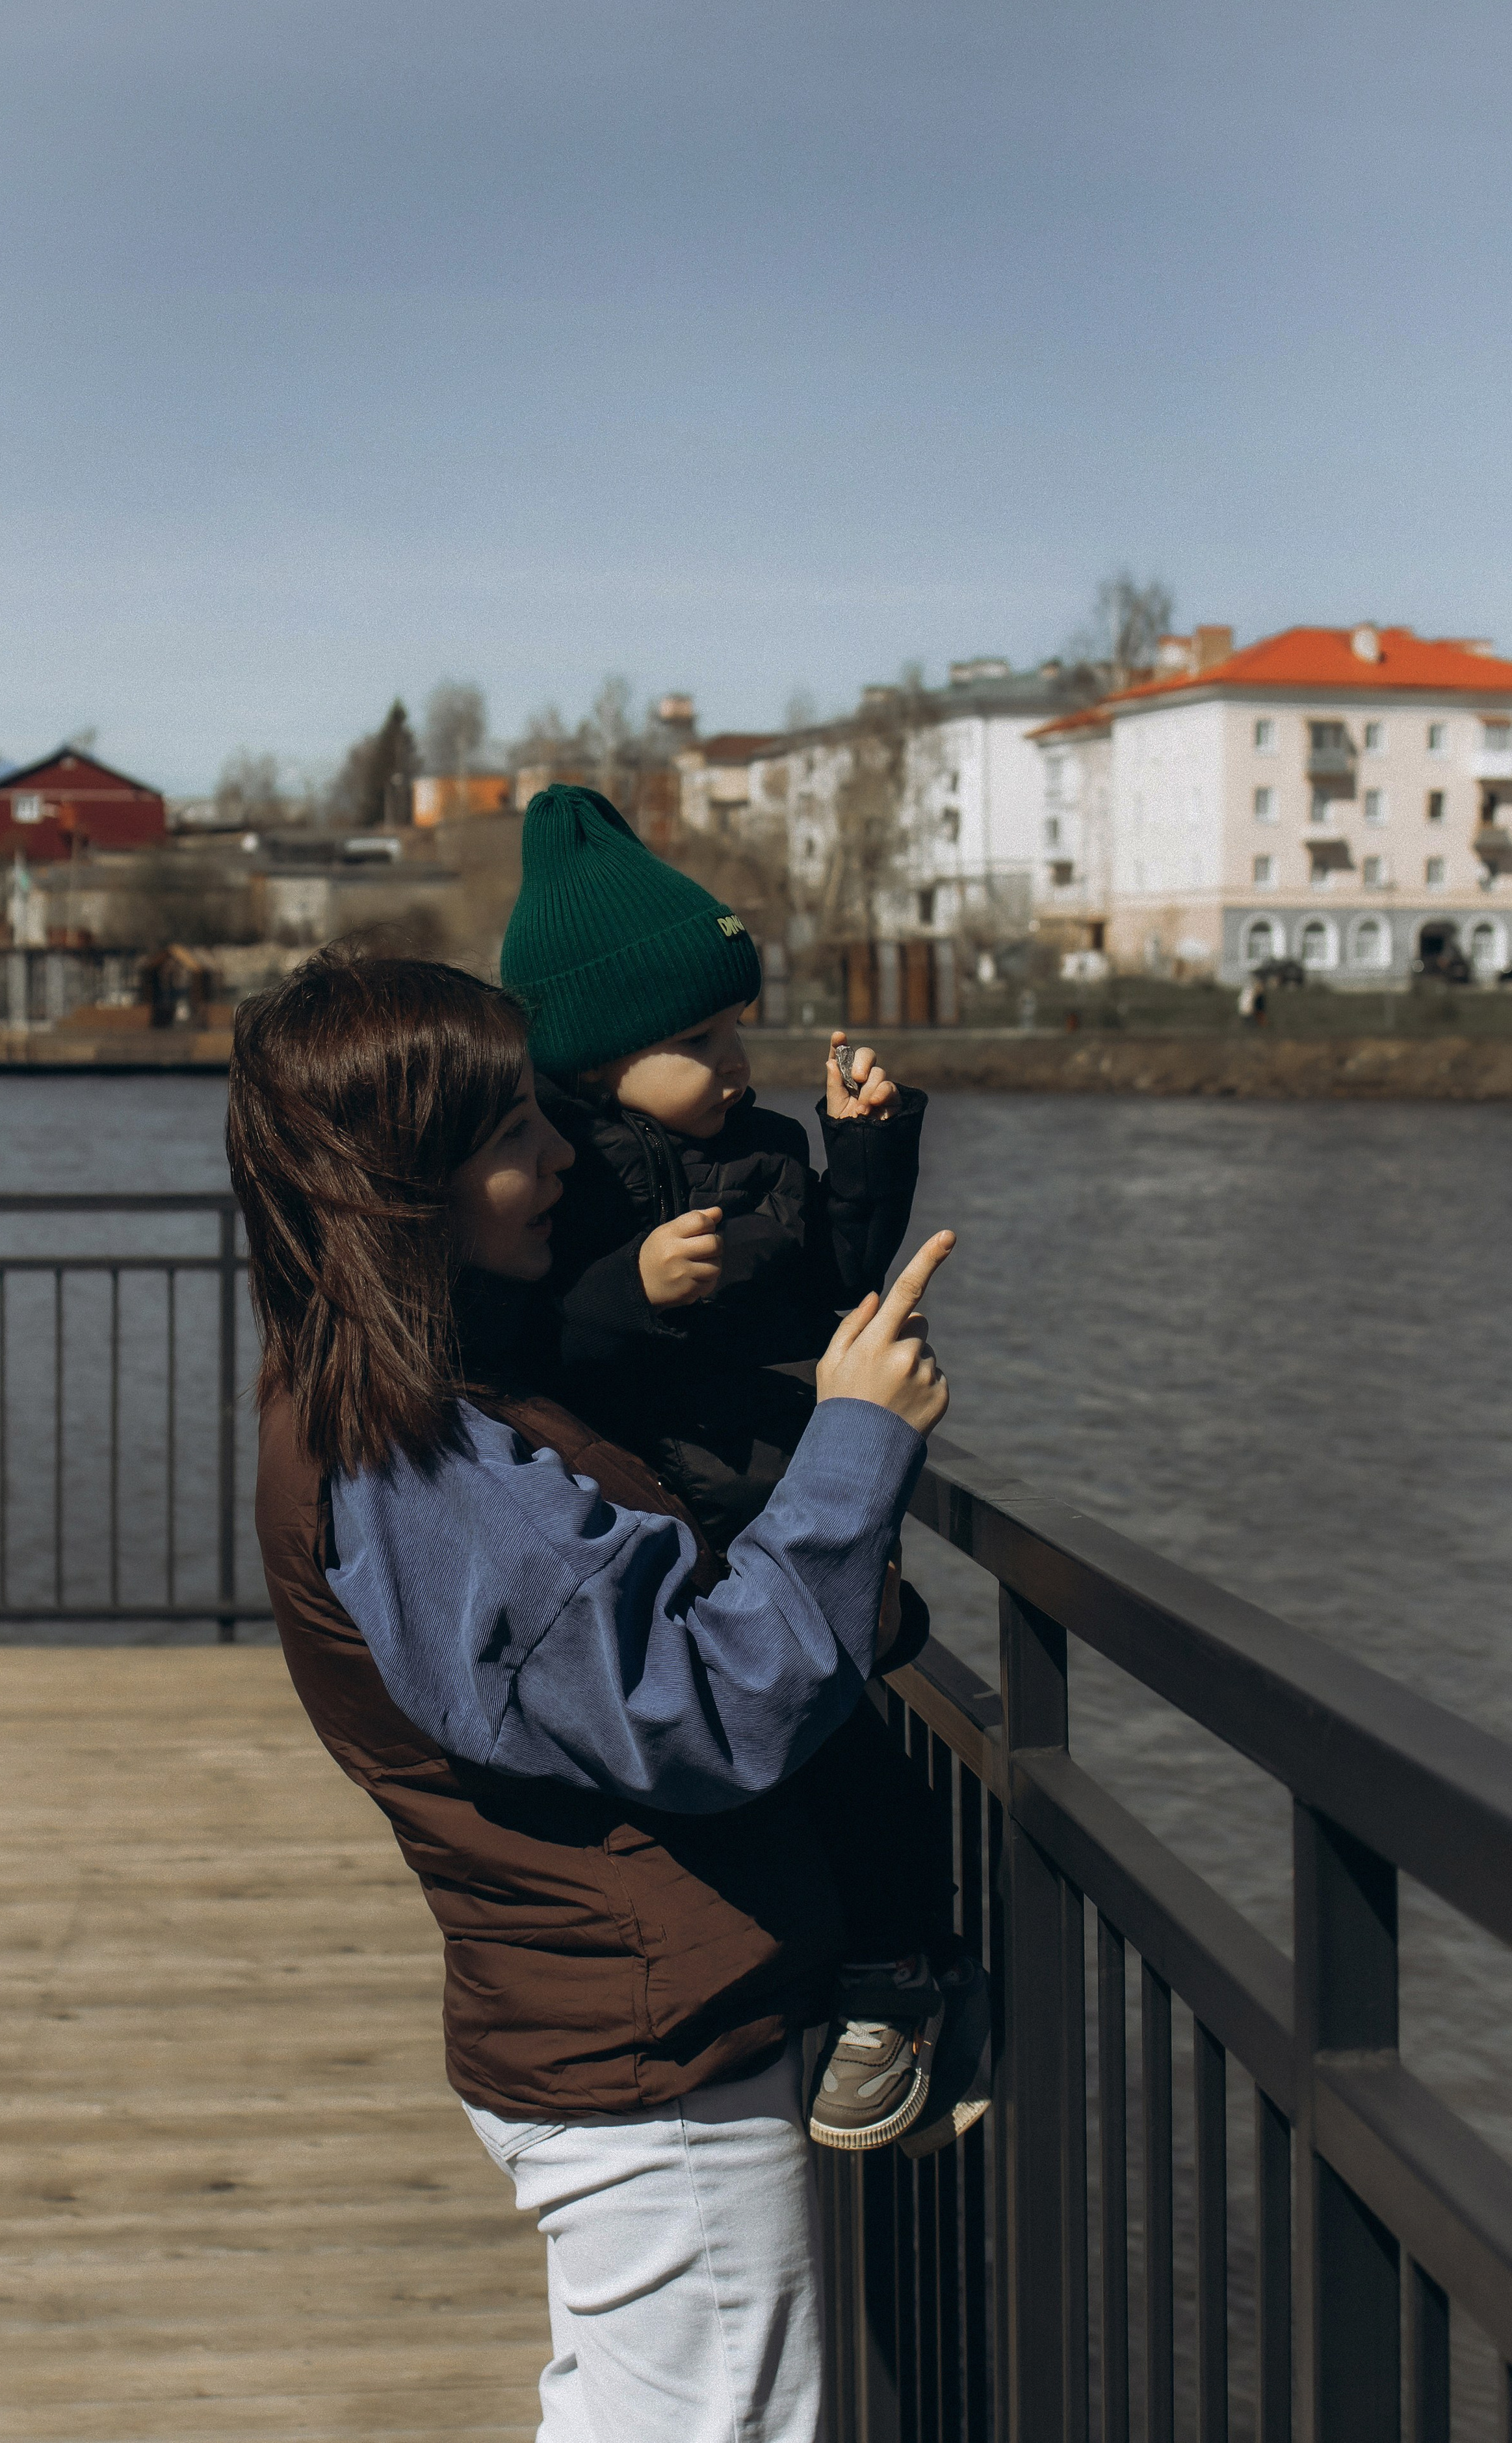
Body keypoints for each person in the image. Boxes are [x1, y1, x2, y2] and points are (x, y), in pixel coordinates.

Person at [231, 949, 954, 2443]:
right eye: (510, 1135)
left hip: (609, 2021)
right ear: (400, 1184)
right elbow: (706, 1703)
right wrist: (851, 1445)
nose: (560, 1154)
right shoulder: (410, 1457)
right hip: (639, 2065)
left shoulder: (391, 1391)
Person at [499, 783, 986, 2154]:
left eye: (736, 1030)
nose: (733, 1061)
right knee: (758, 1759)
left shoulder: (762, 1149)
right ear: (596, 1062)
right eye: (698, 1039)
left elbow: (836, 1270)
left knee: (833, 1751)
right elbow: (528, 1344)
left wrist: (866, 1147)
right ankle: (832, 1974)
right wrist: (627, 1288)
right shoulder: (563, 1178)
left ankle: (895, 1973)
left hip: (769, 1494)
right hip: (663, 1512)